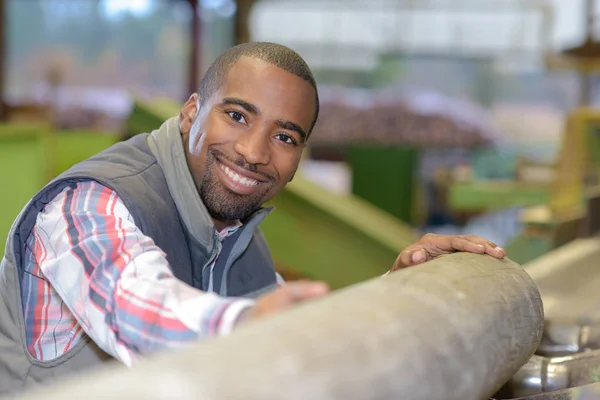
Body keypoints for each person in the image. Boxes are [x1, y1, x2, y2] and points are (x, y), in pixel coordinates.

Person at [0, 42, 505, 394]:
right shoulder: (91, 203)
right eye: (236, 115)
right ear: (190, 112)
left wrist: (398, 289)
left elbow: (295, 331)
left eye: (285, 137)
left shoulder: (234, 235)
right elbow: (138, 308)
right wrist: (248, 323)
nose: (253, 152)